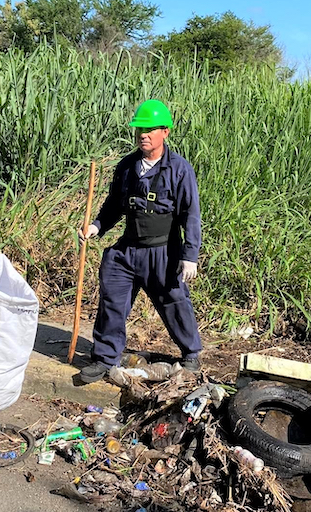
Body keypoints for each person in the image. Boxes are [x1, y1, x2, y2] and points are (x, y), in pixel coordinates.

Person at [77, 99, 203, 383]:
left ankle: (191, 353)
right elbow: (113, 206)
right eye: (139, 129)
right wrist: (97, 226)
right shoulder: (127, 167)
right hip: (128, 249)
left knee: (173, 300)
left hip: (163, 251)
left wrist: (190, 255)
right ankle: (105, 358)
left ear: (165, 132)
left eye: (149, 129)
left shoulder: (180, 169)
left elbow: (190, 214)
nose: (143, 135)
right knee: (112, 298)